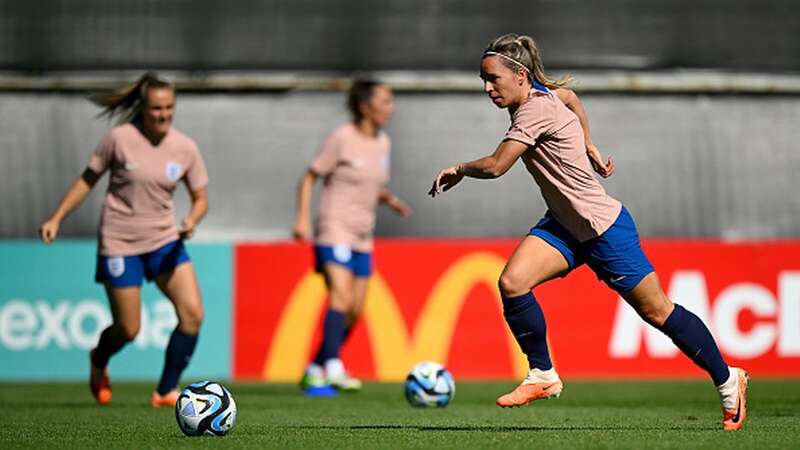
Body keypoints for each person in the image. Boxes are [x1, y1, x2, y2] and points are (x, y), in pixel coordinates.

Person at [429, 34, 748, 431]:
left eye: (493, 78)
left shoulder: (532, 112)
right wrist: (590, 144)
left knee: (657, 311)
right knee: (513, 282)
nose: (487, 88)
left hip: (603, 229)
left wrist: (458, 168)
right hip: (564, 225)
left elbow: (497, 166)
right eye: (483, 79)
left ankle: (727, 380)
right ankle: (543, 374)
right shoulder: (543, 96)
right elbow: (571, 98)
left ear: (521, 75)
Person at [39, 72, 209, 408]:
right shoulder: (118, 139)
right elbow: (87, 181)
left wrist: (192, 218)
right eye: (157, 108)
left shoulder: (185, 147)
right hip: (121, 244)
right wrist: (56, 218)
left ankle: (165, 391)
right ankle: (99, 359)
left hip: (164, 241)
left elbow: (201, 197)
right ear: (142, 108)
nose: (164, 114)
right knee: (128, 329)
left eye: (170, 107)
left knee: (193, 314)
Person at [293, 80, 411, 393]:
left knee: (356, 309)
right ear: (364, 106)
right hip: (335, 228)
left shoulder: (383, 143)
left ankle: (316, 367)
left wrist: (389, 199)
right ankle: (333, 364)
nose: (391, 107)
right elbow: (309, 178)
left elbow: (368, 182)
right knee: (341, 298)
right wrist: (302, 219)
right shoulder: (342, 138)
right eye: (385, 101)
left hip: (362, 235)